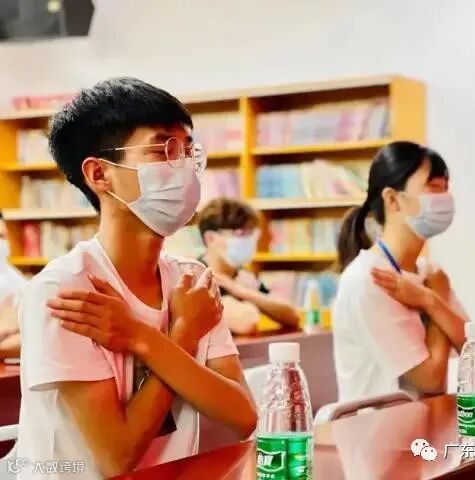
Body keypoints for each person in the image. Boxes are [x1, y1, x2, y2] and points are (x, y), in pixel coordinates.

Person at [17, 78, 257, 480]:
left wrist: (144, 338)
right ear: (99, 173)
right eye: (163, 149)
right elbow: (115, 458)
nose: (183, 165)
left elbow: (243, 416)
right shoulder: (66, 290)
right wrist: (182, 334)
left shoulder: (191, 281)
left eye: (188, 150)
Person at [333, 141, 467, 402]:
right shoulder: (370, 279)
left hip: (425, 419)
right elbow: (431, 382)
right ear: (393, 199)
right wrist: (435, 298)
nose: (444, 199)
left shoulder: (428, 273)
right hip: (378, 424)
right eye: (433, 188)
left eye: (445, 188)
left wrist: (431, 300)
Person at [197, 198, 299, 334]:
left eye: (251, 233)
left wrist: (240, 291)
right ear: (210, 238)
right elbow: (247, 322)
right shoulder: (197, 276)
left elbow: (292, 316)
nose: (248, 241)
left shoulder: (244, 277)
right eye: (241, 234)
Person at [0, 213, 28, 360]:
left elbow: (38, 336)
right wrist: (7, 327)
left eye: (2, 237)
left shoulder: (13, 277)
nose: (2, 244)